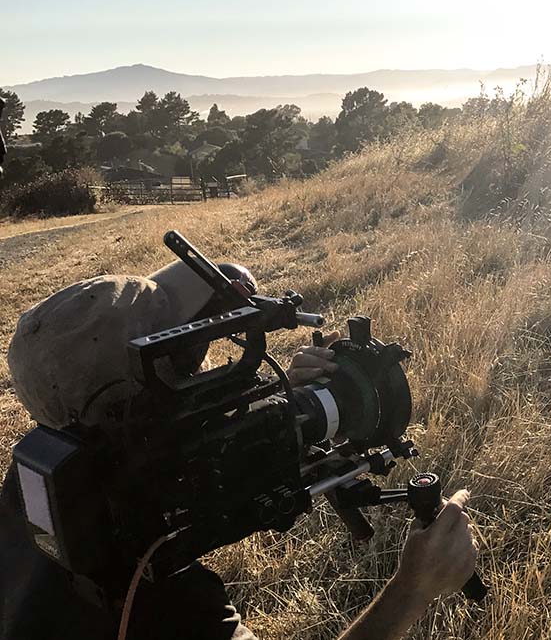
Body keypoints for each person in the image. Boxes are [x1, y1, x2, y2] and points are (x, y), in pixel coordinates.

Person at [0, 261, 477, 639]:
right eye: (188, 362)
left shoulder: (38, 480)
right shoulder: (164, 606)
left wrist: (285, 400)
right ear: (142, 411)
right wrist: (413, 590)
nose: (204, 362)